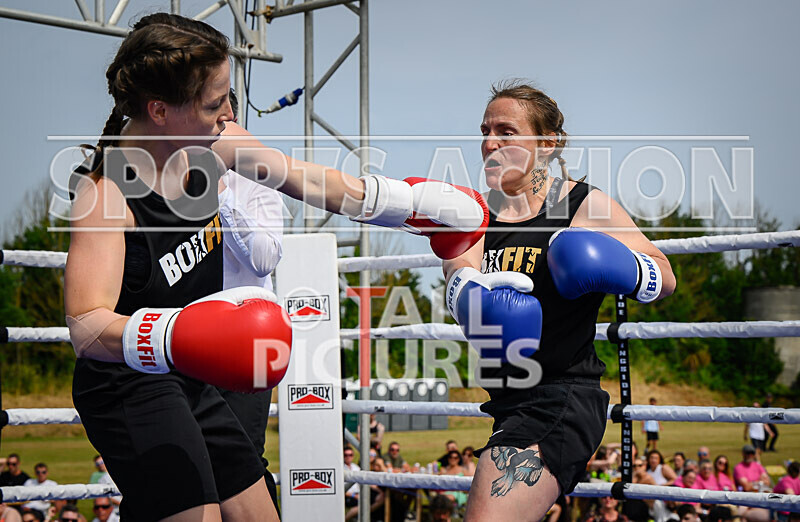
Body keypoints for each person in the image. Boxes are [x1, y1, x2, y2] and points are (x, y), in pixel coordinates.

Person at [64, 12, 484, 522]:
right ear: (160, 110)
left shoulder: (216, 145)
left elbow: (312, 182)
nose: (227, 113)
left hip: (191, 375)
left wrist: (410, 204)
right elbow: (86, 324)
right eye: (214, 102)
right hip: (127, 383)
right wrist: (175, 334)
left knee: (258, 515)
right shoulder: (106, 195)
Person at [442, 80, 676, 522]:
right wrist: (472, 297)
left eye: (507, 132)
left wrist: (618, 266)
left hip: (562, 396)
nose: (490, 143)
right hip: (507, 401)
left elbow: (664, 276)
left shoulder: (584, 205)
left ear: (547, 144)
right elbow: (456, 272)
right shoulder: (477, 214)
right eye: (485, 130)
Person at [214, 87, 284, 514]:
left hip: (246, 341)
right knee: (181, 464)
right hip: (180, 338)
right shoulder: (163, 178)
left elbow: (264, 258)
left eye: (220, 118)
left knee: (241, 463)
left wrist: (219, 192)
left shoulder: (259, 172)